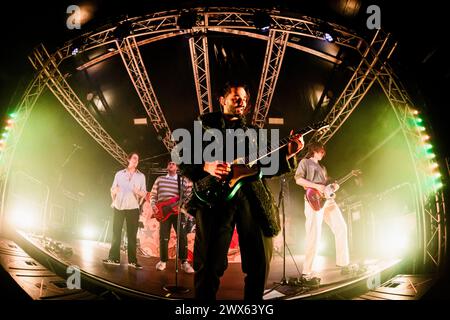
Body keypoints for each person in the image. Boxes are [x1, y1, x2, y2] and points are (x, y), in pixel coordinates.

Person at [178, 81, 304, 300]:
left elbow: (269, 167)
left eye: (244, 99)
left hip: (252, 200)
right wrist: (206, 166)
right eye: (236, 97)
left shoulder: (255, 133)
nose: (241, 102)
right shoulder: (203, 128)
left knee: (259, 264)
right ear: (222, 100)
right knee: (208, 264)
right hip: (214, 200)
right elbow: (181, 158)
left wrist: (289, 154)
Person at [294, 142, 350, 284]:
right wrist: (316, 186)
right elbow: (298, 179)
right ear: (314, 150)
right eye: (320, 151)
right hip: (313, 200)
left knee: (341, 227)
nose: (322, 154)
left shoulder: (323, 168)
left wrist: (333, 188)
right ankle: (307, 272)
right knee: (314, 235)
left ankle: (343, 263)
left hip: (327, 200)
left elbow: (325, 187)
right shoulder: (305, 162)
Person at [103, 152, 147, 269]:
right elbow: (112, 189)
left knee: (132, 235)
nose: (136, 160)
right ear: (128, 159)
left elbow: (144, 193)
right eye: (134, 158)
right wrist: (114, 192)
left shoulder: (141, 176)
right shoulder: (119, 174)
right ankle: (114, 258)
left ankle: (132, 261)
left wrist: (137, 192)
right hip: (118, 206)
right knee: (116, 232)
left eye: (137, 159)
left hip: (133, 208)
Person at [150, 161, 195, 274]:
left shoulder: (183, 180)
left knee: (182, 236)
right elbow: (153, 195)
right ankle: (163, 261)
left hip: (178, 212)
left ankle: (184, 262)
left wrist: (183, 204)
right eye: (169, 163)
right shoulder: (160, 179)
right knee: (163, 237)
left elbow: (188, 195)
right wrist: (154, 206)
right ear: (167, 166)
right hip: (162, 211)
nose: (171, 164)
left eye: (173, 163)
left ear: (177, 167)